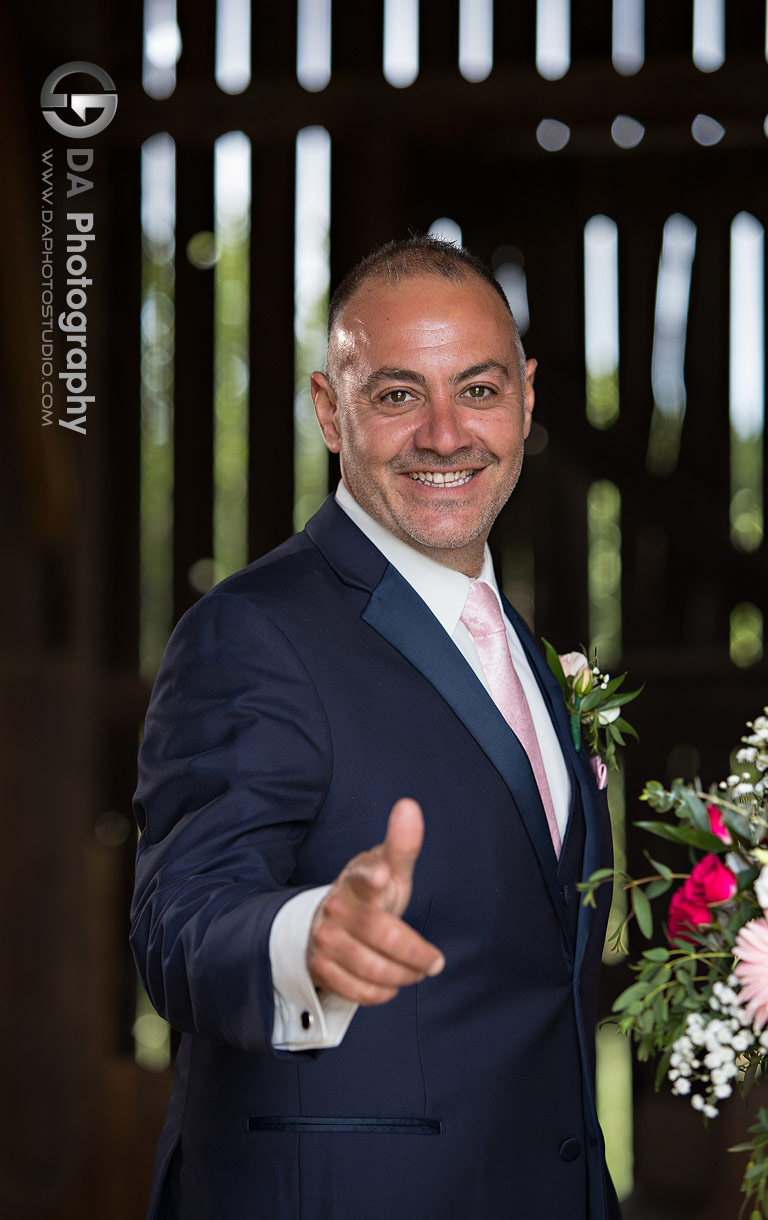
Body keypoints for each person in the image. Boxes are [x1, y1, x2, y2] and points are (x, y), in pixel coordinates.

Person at [131, 235, 620, 1220]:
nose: (445, 433)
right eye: (398, 395)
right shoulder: (251, 631)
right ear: (330, 409)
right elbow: (180, 920)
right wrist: (305, 937)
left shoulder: (519, 643)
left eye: (478, 389)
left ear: (526, 397)